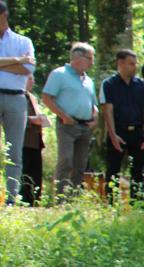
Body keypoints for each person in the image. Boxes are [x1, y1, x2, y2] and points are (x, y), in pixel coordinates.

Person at [41, 42, 97, 200]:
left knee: (80, 164)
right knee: (66, 160)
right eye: (90, 58)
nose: (92, 62)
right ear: (77, 58)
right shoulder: (59, 74)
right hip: (67, 125)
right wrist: (64, 116)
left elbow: (93, 104)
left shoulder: (88, 80)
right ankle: (60, 197)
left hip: (85, 126)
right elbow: (46, 98)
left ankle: (73, 198)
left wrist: (96, 118)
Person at [101, 49, 144, 203]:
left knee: (138, 171)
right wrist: (112, 134)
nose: (134, 67)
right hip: (118, 132)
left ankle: (136, 203)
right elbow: (107, 111)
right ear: (120, 63)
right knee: (113, 169)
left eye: (135, 63)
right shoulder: (109, 84)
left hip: (137, 132)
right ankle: (110, 204)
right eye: (131, 63)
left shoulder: (141, 86)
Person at [0, 1, 34, 204]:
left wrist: (19, 63)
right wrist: (17, 60)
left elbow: (28, 70)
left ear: (4, 15)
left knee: (14, 150)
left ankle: (12, 199)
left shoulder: (23, 41)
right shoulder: (20, 50)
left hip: (16, 98)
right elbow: (22, 65)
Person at [19, 75, 45, 205]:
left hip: (36, 141)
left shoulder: (33, 97)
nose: (33, 81)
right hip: (23, 141)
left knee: (35, 173)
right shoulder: (17, 97)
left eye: (33, 79)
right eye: (29, 79)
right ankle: (21, 200)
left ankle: (34, 201)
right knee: (24, 171)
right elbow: (14, 118)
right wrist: (31, 120)